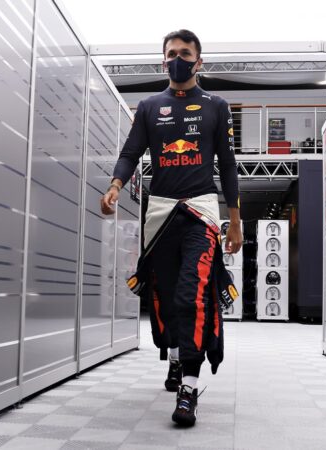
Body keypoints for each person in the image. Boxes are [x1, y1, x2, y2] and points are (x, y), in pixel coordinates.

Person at [100, 29, 242, 427]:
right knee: (162, 296)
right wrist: (114, 186)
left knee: (192, 295)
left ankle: (189, 390)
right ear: (163, 61)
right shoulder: (149, 107)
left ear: (199, 60)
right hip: (160, 214)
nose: (176, 58)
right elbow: (130, 153)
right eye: (170, 54)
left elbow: (228, 165)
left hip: (200, 212)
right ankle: (176, 358)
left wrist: (235, 220)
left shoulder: (217, 106)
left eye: (184, 53)